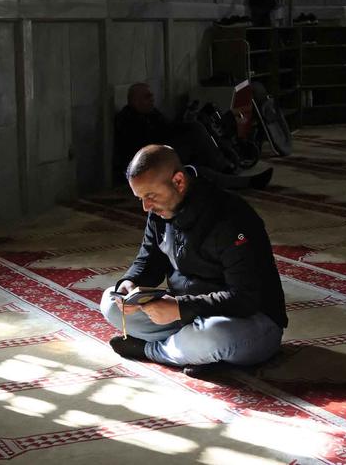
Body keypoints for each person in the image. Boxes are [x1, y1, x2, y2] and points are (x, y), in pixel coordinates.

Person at [100, 145, 286, 378]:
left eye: (150, 196)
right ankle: (192, 352)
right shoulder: (159, 212)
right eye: (140, 198)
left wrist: (180, 308)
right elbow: (148, 261)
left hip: (248, 321)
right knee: (110, 303)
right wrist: (129, 283)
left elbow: (245, 299)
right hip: (189, 316)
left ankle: (151, 350)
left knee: (212, 337)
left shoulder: (231, 217)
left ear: (178, 181)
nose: (146, 207)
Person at [113, 82, 272, 190]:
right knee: (197, 172)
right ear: (135, 100)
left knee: (196, 135)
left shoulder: (151, 113)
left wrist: (186, 123)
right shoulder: (127, 120)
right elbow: (145, 149)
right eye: (147, 97)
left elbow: (168, 128)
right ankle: (243, 180)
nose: (152, 99)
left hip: (163, 154)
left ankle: (226, 168)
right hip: (151, 164)